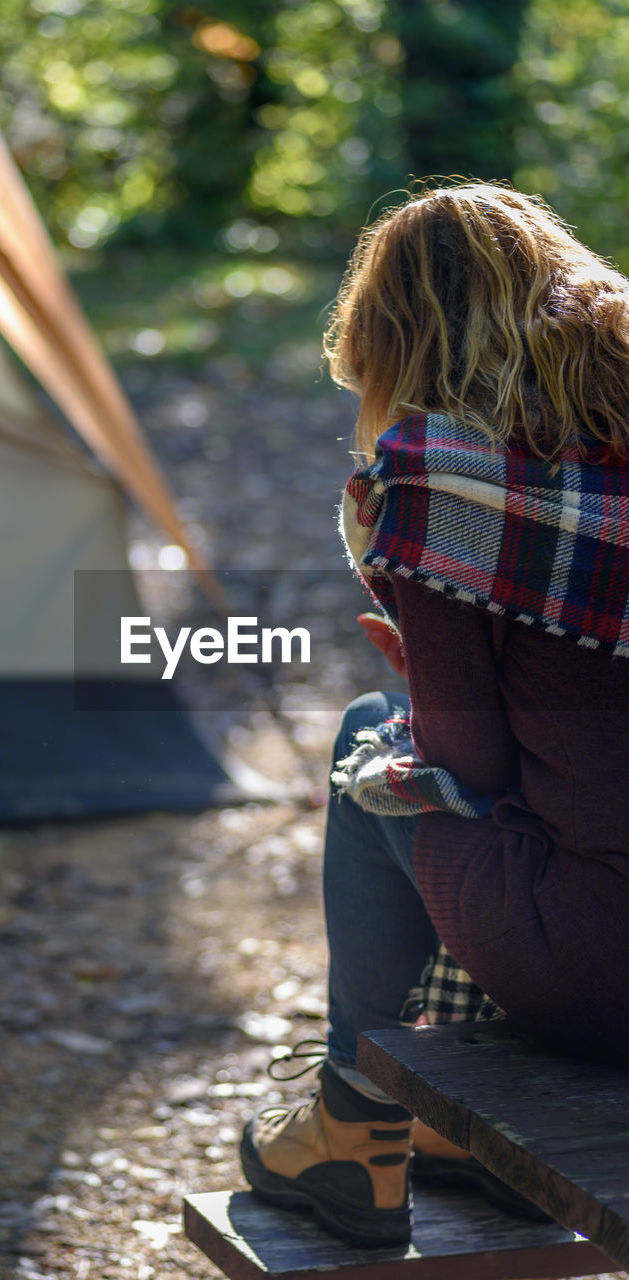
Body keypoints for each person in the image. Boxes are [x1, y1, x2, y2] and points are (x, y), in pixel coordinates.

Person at [239, 182, 629, 1247]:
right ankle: (461, 1116)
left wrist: (420, 668)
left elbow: (469, 767)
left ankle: (351, 1125)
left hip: (603, 974)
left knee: (372, 737)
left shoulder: (438, 480)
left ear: (391, 340)